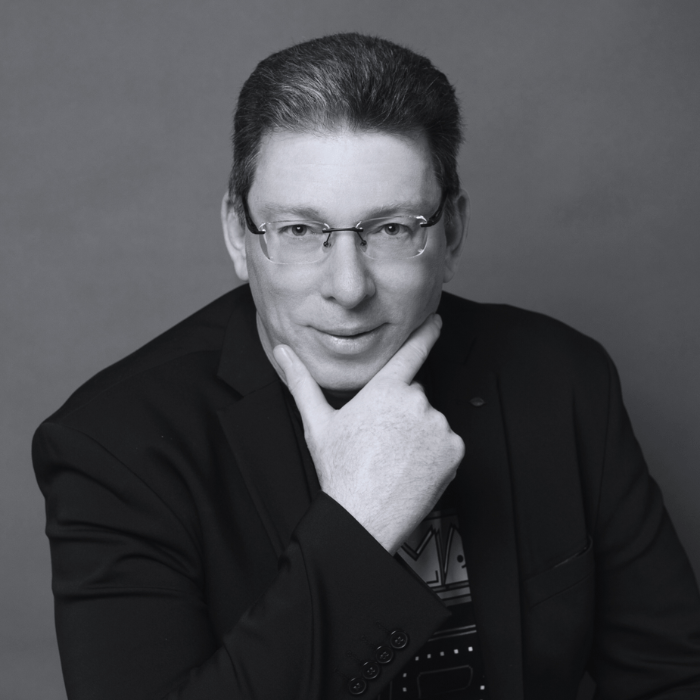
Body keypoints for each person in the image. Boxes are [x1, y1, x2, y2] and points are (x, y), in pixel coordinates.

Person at [32, 33, 700, 700]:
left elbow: (669, 677)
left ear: (451, 232)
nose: (348, 288)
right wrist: (356, 528)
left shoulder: (561, 379)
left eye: (391, 229)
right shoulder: (113, 447)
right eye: (300, 230)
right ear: (239, 234)